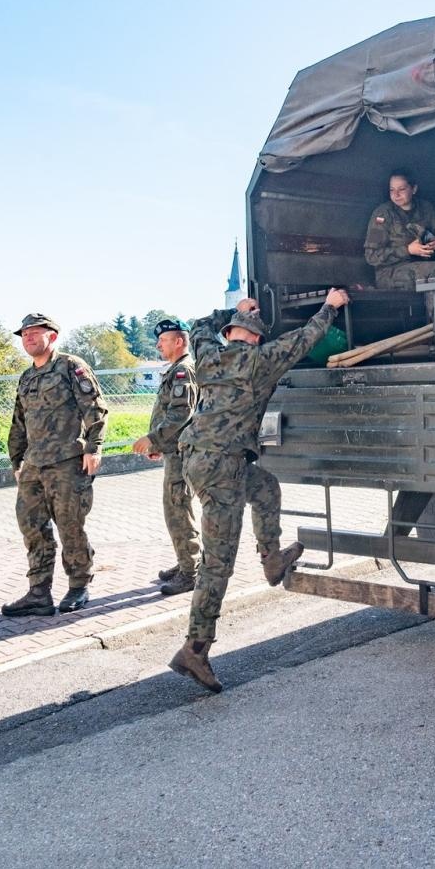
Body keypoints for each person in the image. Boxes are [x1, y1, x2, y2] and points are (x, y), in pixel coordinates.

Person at [170, 287, 349, 693]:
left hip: (197, 456)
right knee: (218, 561)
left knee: (266, 488)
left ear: (231, 332)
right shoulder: (259, 360)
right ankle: (195, 647)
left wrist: (231, 311)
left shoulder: (208, 354)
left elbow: (198, 327)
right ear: (254, 337)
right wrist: (331, 306)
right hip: (223, 464)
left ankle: (271, 558)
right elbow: (307, 337)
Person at [1, 313, 109, 618]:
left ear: (53, 336)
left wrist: (94, 447)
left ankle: (78, 584)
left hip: (67, 462)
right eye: (24, 334)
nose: (29, 338)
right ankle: (38, 592)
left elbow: (95, 407)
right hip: (34, 464)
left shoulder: (70, 366)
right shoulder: (27, 377)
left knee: (70, 524)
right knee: (31, 526)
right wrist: (16, 460)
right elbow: (18, 422)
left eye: (35, 332)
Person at [131, 318, 200, 595]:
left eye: (164, 340)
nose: (159, 344)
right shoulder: (175, 370)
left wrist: (153, 438)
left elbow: (181, 414)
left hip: (183, 454)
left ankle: (190, 571)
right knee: (176, 510)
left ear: (179, 342)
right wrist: (160, 444)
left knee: (178, 511)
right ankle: (187, 562)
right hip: (174, 450)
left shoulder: (184, 371)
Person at [363, 168, 435, 336]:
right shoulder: (383, 214)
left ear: (414, 189)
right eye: (392, 190)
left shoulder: (426, 209)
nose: (396, 194)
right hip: (390, 274)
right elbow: (371, 256)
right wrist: (407, 250)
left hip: (423, 268)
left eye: (401, 189)